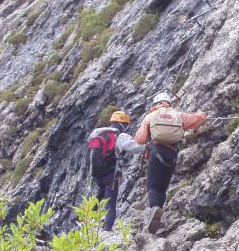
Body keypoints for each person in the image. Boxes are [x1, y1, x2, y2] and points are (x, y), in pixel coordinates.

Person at [134, 91, 207, 234]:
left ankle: (155, 209)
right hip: (172, 154)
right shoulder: (178, 115)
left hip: (156, 151)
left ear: (155, 104)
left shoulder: (150, 116)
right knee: (163, 187)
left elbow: (140, 139)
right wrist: (201, 114)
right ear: (168, 103)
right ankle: (158, 213)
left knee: (153, 185)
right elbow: (197, 119)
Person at [88, 111, 145, 231]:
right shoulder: (120, 136)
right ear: (123, 124)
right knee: (110, 200)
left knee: (99, 193)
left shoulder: (97, 133)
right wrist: (150, 145)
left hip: (96, 172)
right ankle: (107, 226)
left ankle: (87, 217)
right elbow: (136, 147)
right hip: (111, 174)